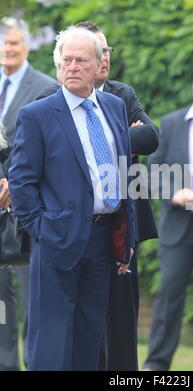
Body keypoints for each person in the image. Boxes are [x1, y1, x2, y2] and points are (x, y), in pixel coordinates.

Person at [8, 26, 135, 371]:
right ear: (57, 65)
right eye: (67, 61)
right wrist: (42, 229)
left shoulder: (114, 107)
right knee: (50, 344)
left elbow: (123, 173)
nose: (73, 67)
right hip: (55, 240)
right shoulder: (38, 114)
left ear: (99, 64)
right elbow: (21, 179)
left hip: (103, 240)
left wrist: (127, 237)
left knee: (89, 341)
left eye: (82, 60)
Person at [74, 21, 158, 371]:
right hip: (79, 226)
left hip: (124, 226)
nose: (105, 56)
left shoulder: (122, 94)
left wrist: (103, 138)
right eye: (98, 50)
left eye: (107, 49)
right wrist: (124, 135)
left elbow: (151, 136)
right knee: (84, 322)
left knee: (122, 321)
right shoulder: (56, 100)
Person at [143, 66, 193, 371]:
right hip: (178, 224)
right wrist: (174, 192)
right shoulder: (172, 123)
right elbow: (150, 172)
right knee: (168, 298)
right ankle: (156, 365)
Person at [0, 17, 57, 371]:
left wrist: (11, 182)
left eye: (15, 43)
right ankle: (5, 364)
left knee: (32, 292)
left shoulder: (45, 87)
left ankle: (37, 363)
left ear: (27, 47)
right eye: (4, 43)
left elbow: (42, 148)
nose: (8, 49)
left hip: (27, 206)